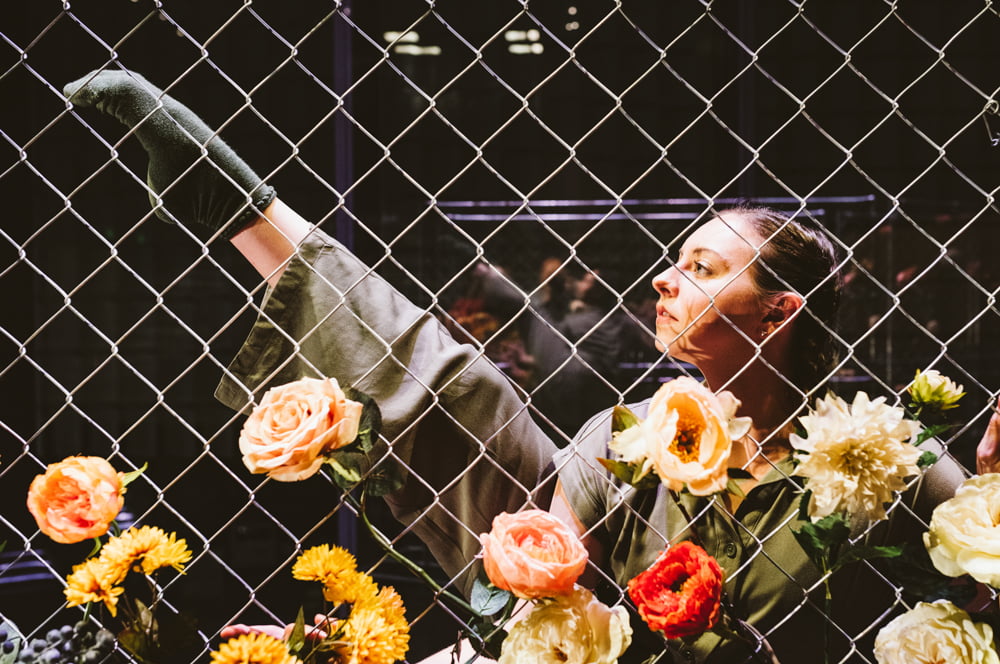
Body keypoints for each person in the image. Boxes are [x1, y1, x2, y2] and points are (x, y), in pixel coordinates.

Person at [61, 69, 998, 663]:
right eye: (675, 261)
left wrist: (989, 518)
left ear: (778, 311)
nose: (664, 280)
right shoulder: (621, 440)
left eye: (704, 268)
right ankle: (244, 208)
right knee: (471, 402)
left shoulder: (889, 456)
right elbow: (535, 616)